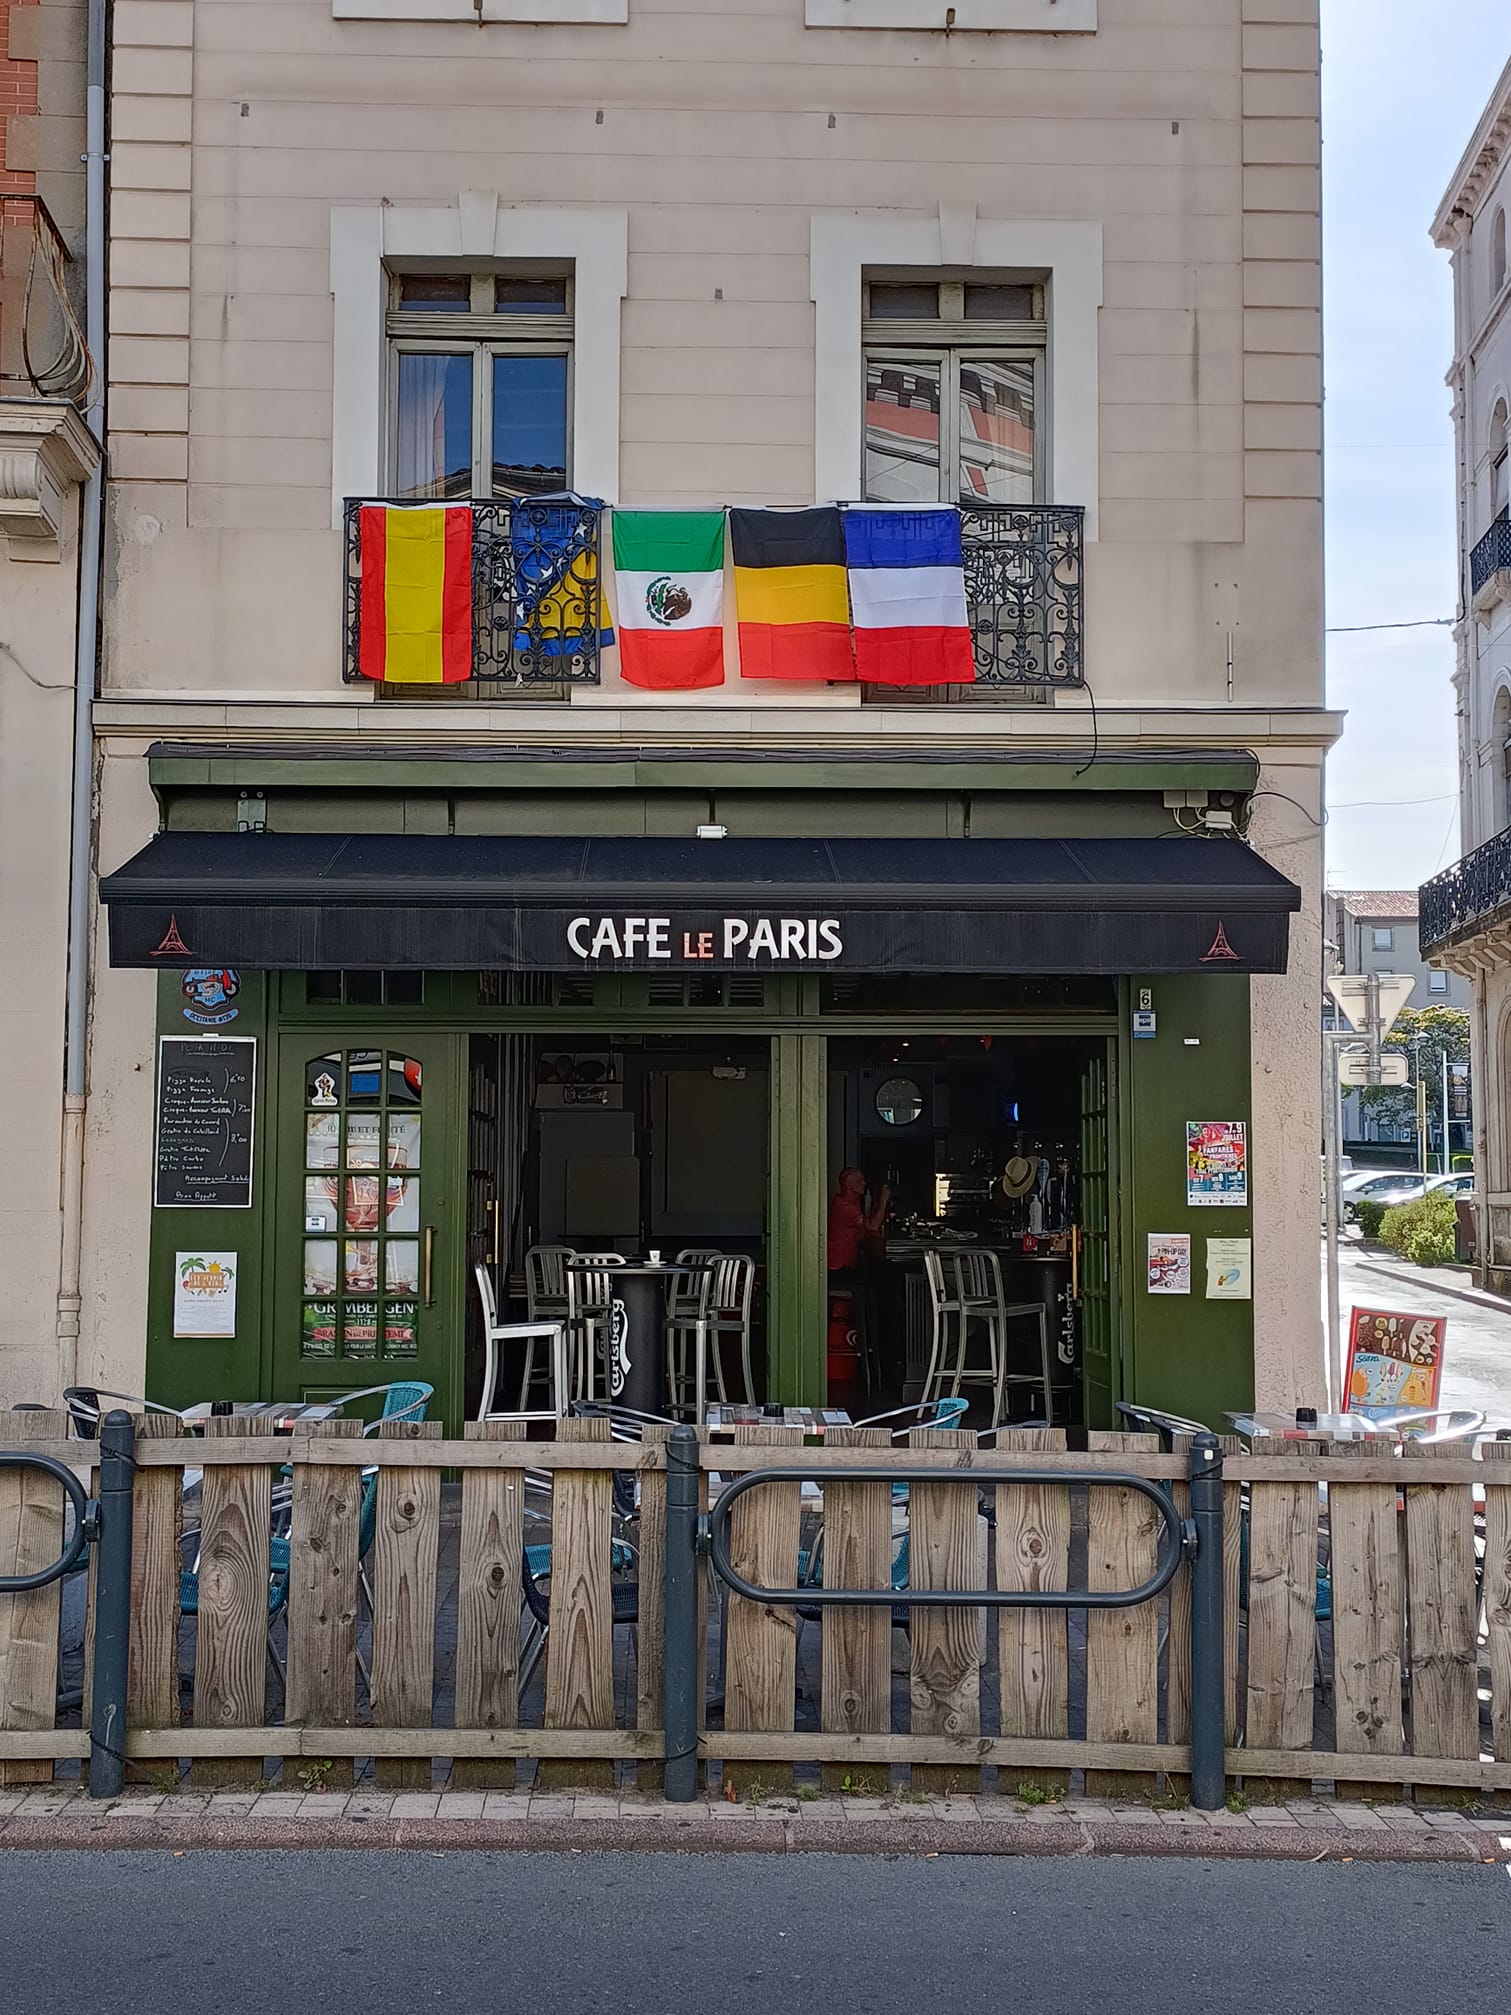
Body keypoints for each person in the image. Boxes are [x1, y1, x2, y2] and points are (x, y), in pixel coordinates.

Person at [827, 1167, 890, 1272]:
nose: (864, 1183)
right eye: (860, 1180)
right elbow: (872, 1226)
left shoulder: (852, 1203)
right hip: (839, 1267)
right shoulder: (843, 1206)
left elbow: (863, 1230)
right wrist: (883, 1200)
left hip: (847, 1263)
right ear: (849, 1183)